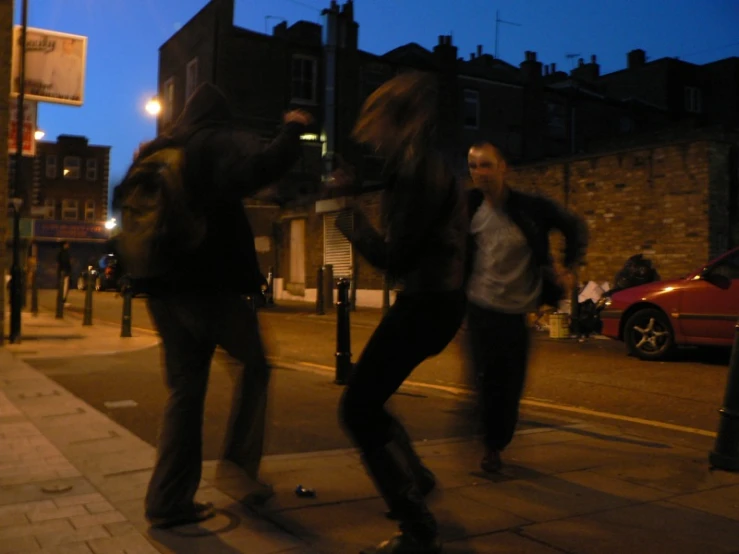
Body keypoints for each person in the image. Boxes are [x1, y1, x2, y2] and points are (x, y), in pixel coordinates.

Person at [127, 83, 312, 529]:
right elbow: (260, 167)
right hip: (209, 288)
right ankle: (237, 465)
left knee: (185, 394)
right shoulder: (215, 139)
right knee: (255, 365)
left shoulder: (160, 149)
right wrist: (292, 131)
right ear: (221, 115)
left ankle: (167, 500)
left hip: (162, 291)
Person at [334, 72, 467, 554]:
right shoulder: (423, 166)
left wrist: (349, 216)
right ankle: (417, 479)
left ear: (400, 121)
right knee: (371, 396)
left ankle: (415, 522)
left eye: (376, 122)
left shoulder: (415, 172)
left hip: (426, 306)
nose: (369, 135)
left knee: (357, 408)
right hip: (438, 303)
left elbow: (396, 258)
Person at [464, 142, 588, 473]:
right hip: (480, 308)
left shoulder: (530, 208)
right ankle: (491, 446)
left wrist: (568, 267)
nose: (480, 173)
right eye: (473, 166)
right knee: (485, 380)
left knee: (510, 384)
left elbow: (574, 227)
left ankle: (497, 437)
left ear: (503, 167)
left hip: (517, 312)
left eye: (486, 165)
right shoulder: (468, 207)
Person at [56, 241, 71, 305]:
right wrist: (67, 270)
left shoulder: (61, 252)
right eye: (67, 244)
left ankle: (61, 300)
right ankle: (62, 300)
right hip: (64, 272)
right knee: (64, 286)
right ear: (64, 245)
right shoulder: (64, 253)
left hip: (62, 271)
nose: (68, 246)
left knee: (62, 286)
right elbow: (65, 262)